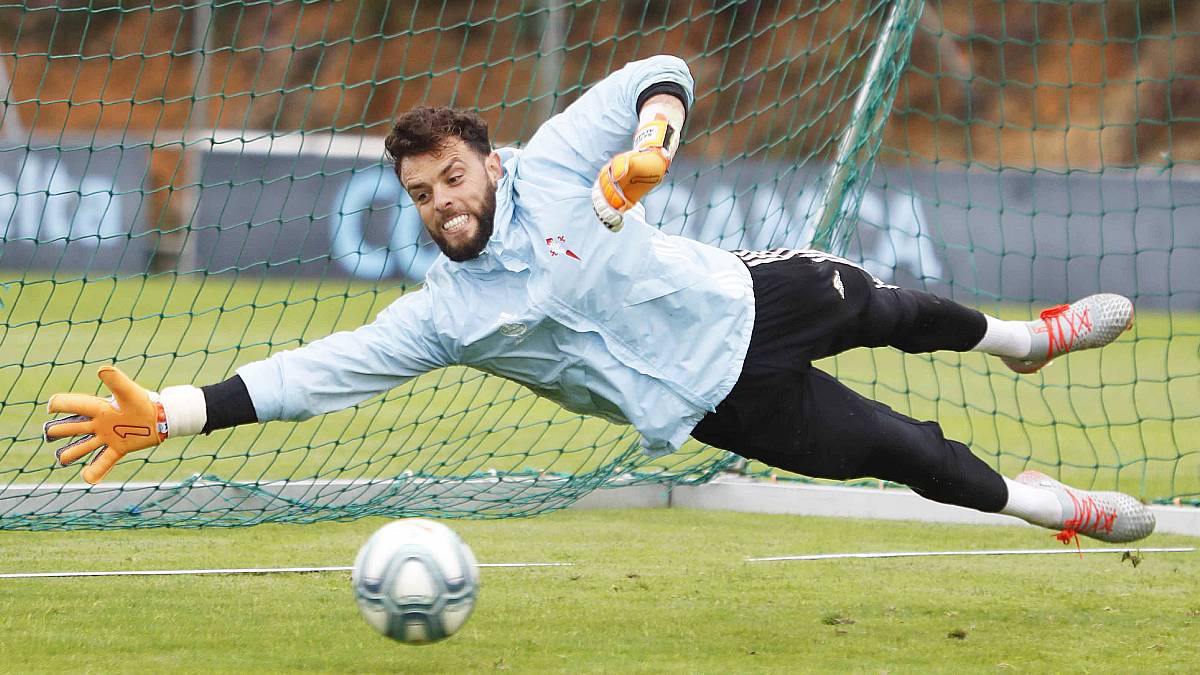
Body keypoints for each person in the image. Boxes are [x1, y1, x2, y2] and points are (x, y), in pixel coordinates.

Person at [44, 55, 1154, 544]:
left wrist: (656, 142)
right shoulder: (443, 316)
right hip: (719, 403)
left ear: (487, 161)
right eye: (422, 194)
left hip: (749, 297)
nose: (443, 203)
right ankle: (1051, 506)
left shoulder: (561, 161)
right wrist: (176, 412)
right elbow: (309, 375)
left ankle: (1024, 340)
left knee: (890, 307)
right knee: (915, 459)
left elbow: (654, 71)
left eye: (454, 178)